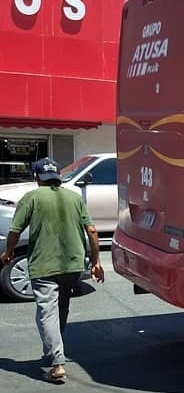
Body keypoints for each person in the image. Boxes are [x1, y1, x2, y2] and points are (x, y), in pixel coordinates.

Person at [1, 158, 104, 383]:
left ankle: (57, 363)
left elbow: (15, 230)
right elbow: (93, 231)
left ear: (36, 177)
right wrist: (96, 262)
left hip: (44, 264)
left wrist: (8, 253)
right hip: (73, 264)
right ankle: (54, 350)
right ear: (58, 175)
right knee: (61, 308)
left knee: (46, 312)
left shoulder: (31, 198)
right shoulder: (75, 198)